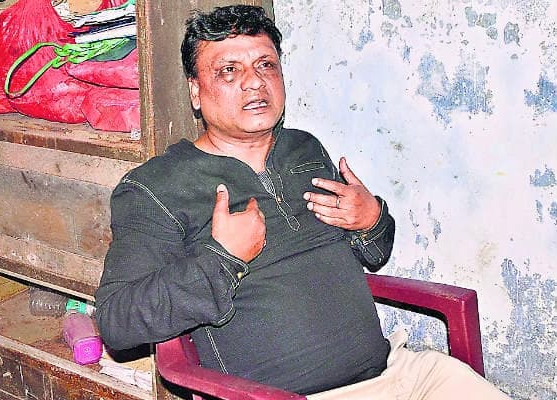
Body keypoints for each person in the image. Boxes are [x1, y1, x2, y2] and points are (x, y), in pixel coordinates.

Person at [95, 5, 510, 400]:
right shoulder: (155, 187)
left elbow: (375, 254)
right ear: (195, 92)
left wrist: (371, 220)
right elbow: (117, 323)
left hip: (400, 375)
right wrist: (222, 259)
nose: (254, 82)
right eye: (229, 70)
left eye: (266, 65)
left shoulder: (304, 149)